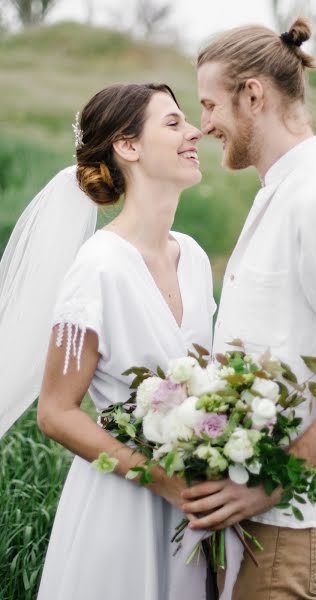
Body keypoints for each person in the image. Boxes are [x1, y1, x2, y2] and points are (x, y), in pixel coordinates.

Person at [181, 17, 316, 599]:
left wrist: (277, 483)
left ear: (252, 95)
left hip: (289, 522)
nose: (203, 126)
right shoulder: (280, 190)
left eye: (209, 105)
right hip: (256, 519)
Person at [0, 83, 217, 600]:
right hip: (121, 508)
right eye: (173, 123)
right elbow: (56, 412)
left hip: (193, 513)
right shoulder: (97, 267)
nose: (195, 132)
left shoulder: (195, 257)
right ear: (128, 146)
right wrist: (162, 480)